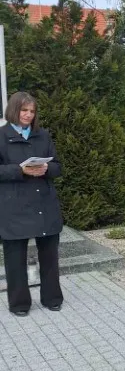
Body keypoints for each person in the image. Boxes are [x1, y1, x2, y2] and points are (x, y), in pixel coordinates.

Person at [0, 91, 64, 316]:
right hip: (14, 207)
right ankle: (19, 304)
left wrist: (47, 168)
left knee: (49, 257)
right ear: (13, 110)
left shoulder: (42, 135)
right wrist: (20, 170)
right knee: (15, 260)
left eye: (32, 111)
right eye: (24, 110)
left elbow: (58, 166)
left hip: (43, 204)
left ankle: (52, 298)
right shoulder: (1, 136)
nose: (28, 115)